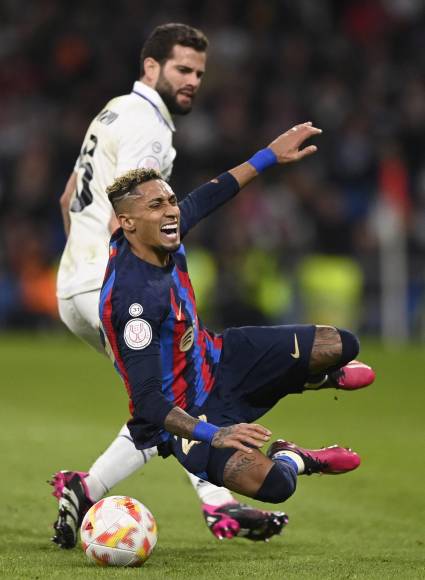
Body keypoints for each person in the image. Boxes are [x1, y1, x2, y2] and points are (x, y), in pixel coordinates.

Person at [52, 22, 287, 549]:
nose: (192, 81)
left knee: (161, 404)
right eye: (182, 69)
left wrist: (80, 268)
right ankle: (203, 504)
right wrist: (133, 285)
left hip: (76, 285)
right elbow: (133, 215)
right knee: (178, 397)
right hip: (109, 285)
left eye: (199, 73)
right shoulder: (147, 129)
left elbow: (69, 193)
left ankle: (202, 503)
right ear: (151, 67)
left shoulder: (112, 111)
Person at [98, 122, 375, 516]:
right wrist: (217, 433)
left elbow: (212, 194)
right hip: (190, 412)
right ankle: (296, 458)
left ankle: (314, 376)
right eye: (156, 205)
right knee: (277, 486)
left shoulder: (163, 231)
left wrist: (269, 155)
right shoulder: (132, 303)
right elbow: (148, 403)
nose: (172, 210)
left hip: (222, 357)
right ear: (128, 223)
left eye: (171, 200)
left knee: (342, 344)